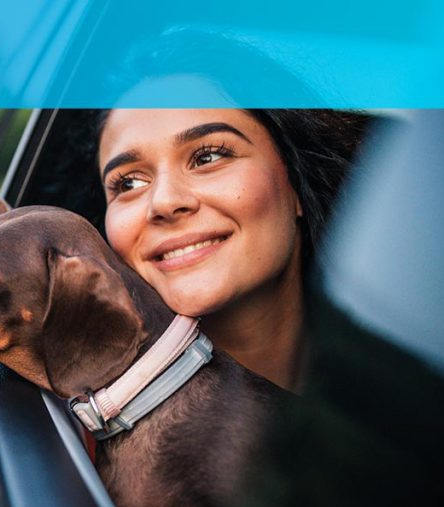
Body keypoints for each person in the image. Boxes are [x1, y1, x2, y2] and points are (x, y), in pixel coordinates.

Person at [95, 108, 370, 390]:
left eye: (208, 157)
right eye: (128, 183)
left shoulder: (405, 374)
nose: (164, 202)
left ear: (297, 181)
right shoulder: (80, 425)